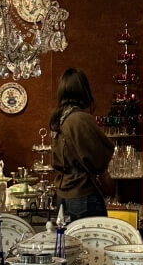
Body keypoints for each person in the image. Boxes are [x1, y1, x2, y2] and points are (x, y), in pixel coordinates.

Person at [49, 68, 115, 221]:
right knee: (92, 243)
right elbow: (101, 157)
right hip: (83, 193)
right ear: (83, 90)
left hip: (63, 192)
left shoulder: (58, 118)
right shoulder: (80, 119)